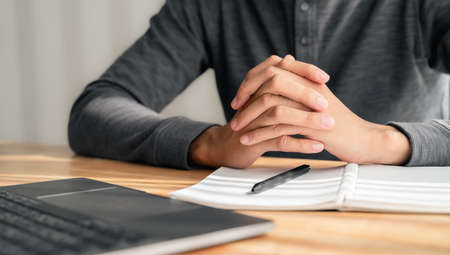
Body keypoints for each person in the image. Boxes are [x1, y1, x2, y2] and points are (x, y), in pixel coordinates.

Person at [68, 0, 450, 169]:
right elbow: (96, 109)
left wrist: (378, 140)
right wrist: (209, 143)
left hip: (401, 233)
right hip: (254, 232)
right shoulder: (208, 6)